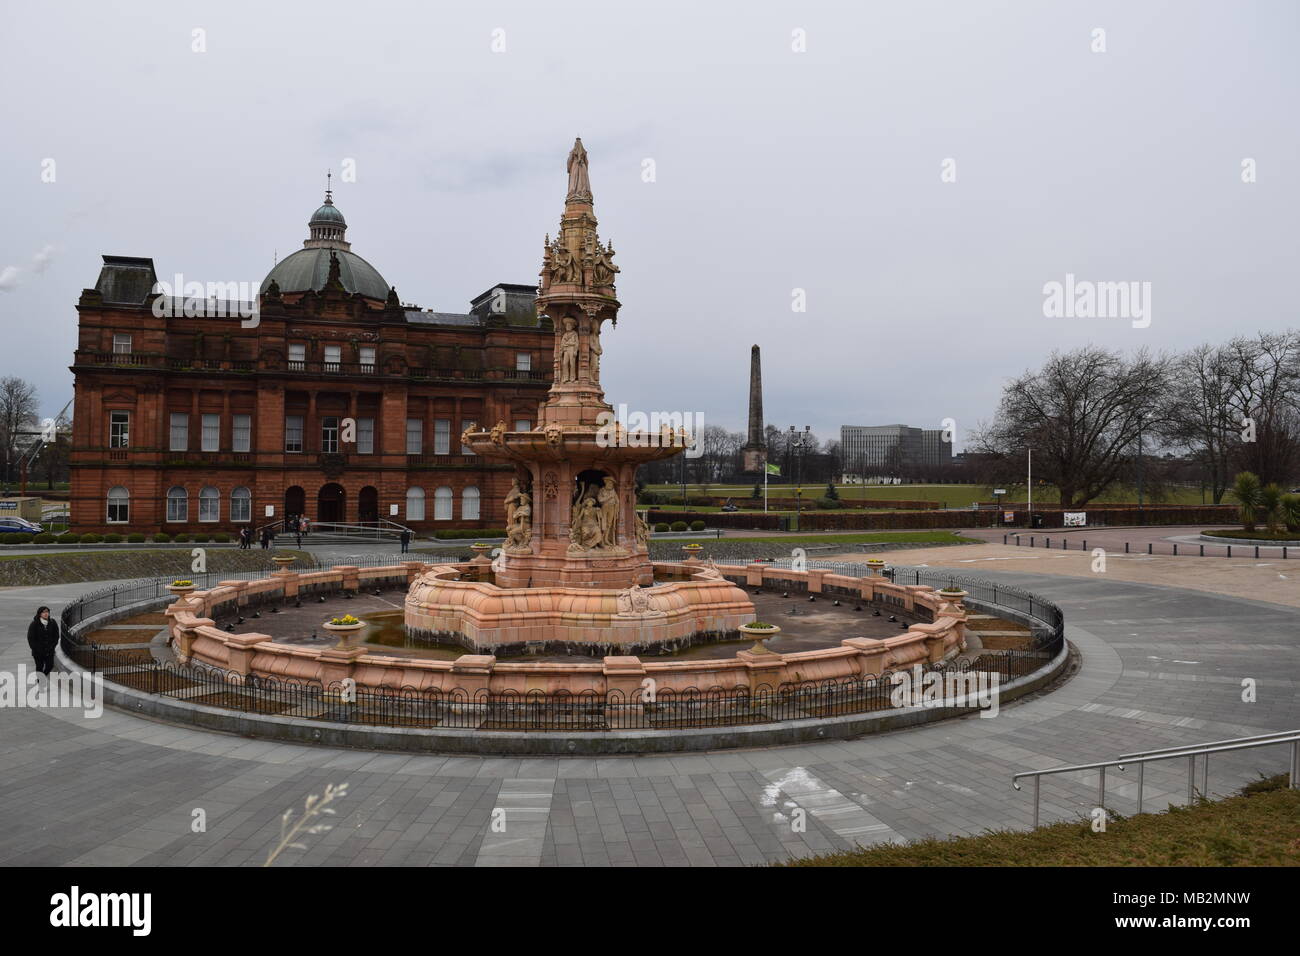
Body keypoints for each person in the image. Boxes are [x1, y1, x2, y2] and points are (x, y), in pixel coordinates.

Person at [27, 606, 59, 677]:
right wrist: (36, 649)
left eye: (47, 612)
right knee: (39, 667)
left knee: (50, 666)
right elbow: (31, 639)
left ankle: (42, 677)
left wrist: (52, 646)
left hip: (49, 650)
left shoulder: (52, 623)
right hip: (38, 652)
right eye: (43, 612)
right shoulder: (34, 624)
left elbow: (56, 636)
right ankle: (40, 681)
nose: (46, 614)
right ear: (40, 614)